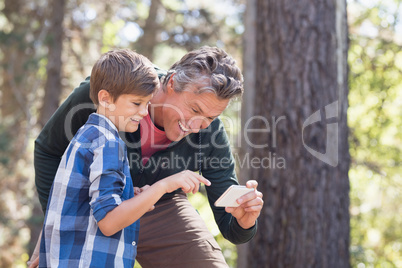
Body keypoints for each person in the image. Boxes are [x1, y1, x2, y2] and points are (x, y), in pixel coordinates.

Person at [31, 46, 264, 268]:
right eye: (194, 110)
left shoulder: (210, 133)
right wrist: (56, 225)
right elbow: (48, 150)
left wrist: (245, 220)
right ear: (171, 83)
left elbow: (231, 227)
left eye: (210, 118)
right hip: (93, 201)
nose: (197, 126)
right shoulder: (116, 88)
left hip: (161, 204)